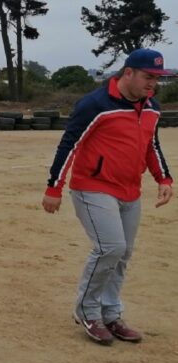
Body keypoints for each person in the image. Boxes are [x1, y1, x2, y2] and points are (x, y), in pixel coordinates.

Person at [42, 48, 173, 346]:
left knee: (123, 253)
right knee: (110, 247)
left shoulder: (152, 107)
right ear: (128, 73)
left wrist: (163, 178)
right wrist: (54, 187)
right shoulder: (95, 104)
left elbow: (152, 146)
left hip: (130, 191)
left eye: (158, 79)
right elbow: (69, 144)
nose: (153, 84)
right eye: (148, 77)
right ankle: (87, 311)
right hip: (93, 187)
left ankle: (110, 313)